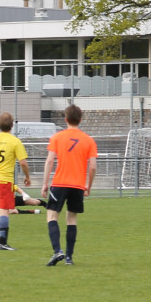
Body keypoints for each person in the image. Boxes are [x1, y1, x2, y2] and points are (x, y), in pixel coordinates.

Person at [41, 104, 97, 266]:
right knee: (71, 219)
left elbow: (50, 160)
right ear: (80, 120)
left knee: (52, 216)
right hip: (78, 185)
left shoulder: (57, 137)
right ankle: (69, 258)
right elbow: (93, 166)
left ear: (65, 119)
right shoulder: (88, 140)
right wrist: (89, 186)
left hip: (59, 183)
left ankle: (58, 250)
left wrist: (45, 184)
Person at [0, 112, 32, 250]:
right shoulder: (15, 141)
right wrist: (27, 176)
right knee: (4, 211)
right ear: (11, 125)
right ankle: (3, 242)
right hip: (4, 180)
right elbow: (23, 162)